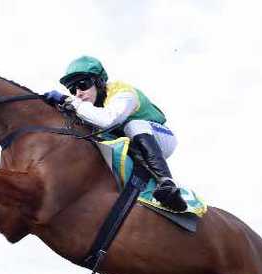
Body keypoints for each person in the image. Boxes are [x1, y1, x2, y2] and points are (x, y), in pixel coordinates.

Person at [42, 56, 187, 212]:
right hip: (132, 142)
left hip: (161, 137)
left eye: (83, 85)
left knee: (133, 125)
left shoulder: (122, 92)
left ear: (99, 82)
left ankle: (167, 183)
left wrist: (71, 101)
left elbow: (108, 120)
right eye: (72, 90)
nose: (78, 93)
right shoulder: (90, 105)